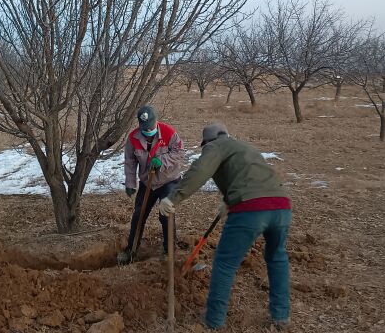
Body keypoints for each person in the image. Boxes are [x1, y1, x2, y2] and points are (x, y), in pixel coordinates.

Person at [160, 123, 292, 331]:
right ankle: (281, 315)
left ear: (207, 143)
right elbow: (249, 176)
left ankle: (214, 320)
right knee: (277, 258)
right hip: (282, 206)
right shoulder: (244, 147)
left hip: (251, 209)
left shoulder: (215, 146)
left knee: (225, 263)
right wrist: (229, 201)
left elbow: (200, 171)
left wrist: (173, 198)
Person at [117, 105, 186, 264]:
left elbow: (180, 153)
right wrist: (130, 183)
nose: (147, 131)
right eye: (144, 128)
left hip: (169, 181)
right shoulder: (133, 137)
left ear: (156, 122)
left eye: (150, 128)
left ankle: (169, 250)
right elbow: (130, 162)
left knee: (165, 213)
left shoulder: (169, 132)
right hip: (147, 182)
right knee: (138, 214)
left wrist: (161, 160)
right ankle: (131, 250)